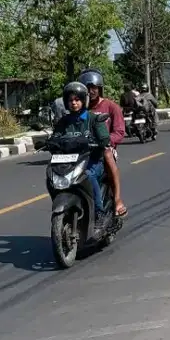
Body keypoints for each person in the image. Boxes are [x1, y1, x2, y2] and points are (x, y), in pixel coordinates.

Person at [52, 81, 121, 232]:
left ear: (84, 100)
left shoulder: (93, 119)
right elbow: (55, 137)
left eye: (77, 100)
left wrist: (101, 141)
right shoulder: (63, 122)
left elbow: (104, 138)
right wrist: (49, 143)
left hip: (93, 160)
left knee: (88, 176)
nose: (74, 103)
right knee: (51, 176)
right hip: (70, 162)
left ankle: (99, 213)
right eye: (70, 100)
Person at [77, 68, 127, 217]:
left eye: (94, 88)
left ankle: (118, 200)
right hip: (83, 149)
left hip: (105, 147)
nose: (91, 91)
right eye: (87, 88)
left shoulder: (111, 107)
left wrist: (105, 141)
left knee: (107, 155)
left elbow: (119, 132)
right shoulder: (80, 108)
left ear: (99, 89)